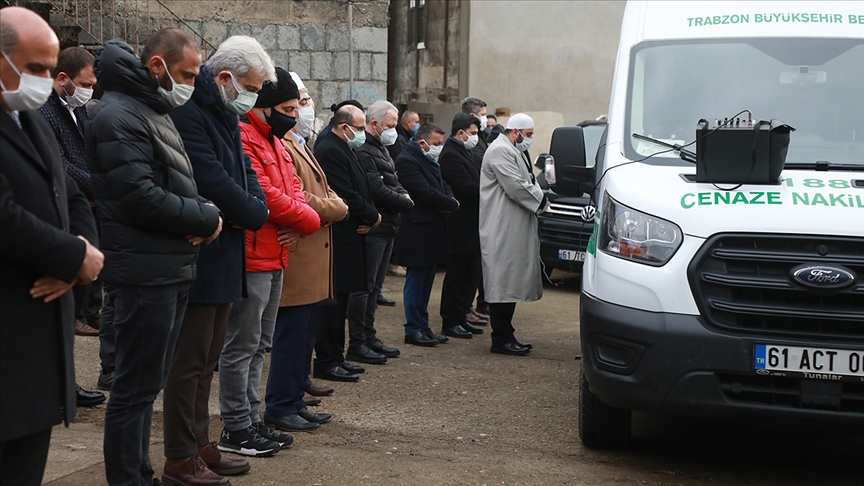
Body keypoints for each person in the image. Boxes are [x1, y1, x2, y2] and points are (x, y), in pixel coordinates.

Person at [86, 30, 223, 486]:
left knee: (147, 386)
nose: (189, 83)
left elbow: (177, 183)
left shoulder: (154, 110)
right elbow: (139, 196)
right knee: (133, 388)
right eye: (185, 74)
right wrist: (204, 217)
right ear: (157, 67)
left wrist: (203, 211)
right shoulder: (117, 114)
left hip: (168, 264)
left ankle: (139, 473)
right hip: (143, 271)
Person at [162, 34, 277, 483]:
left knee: (209, 357)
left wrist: (255, 207)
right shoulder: (191, 111)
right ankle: (179, 454)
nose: (252, 96)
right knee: (189, 361)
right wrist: (254, 211)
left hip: (226, 248)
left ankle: (199, 441)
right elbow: (209, 177)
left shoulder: (225, 111)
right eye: (250, 86)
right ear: (225, 78)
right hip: (203, 253)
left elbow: (244, 172)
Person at [0, 8, 103, 484]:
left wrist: (79, 254)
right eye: (36, 68)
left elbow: (72, 194)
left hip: (38, 358)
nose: (45, 81)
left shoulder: (30, 119)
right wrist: (72, 256)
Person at [236, 67, 326, 436]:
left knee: (260, 346)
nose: (294, 115)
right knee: (243, 347)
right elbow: (268, 195)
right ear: (265, 105)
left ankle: (256, 417)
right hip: (255, 251)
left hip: (276, 252)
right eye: (288, 108)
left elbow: (291, 187)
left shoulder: (275, 139)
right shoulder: (245, 136)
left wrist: (302, 218)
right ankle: (242, 421)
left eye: (296, 108)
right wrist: (310, 220)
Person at [35, 45, 107, 407]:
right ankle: (60, 387)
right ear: (62, 79)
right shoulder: (44, 112)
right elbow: (61, 167)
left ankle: (65, 385)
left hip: (79, 216)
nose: (88, 90)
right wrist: (100, 186)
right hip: (58, 221)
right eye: (84, 83)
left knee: (68, 313)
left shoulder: (75, 111)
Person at [274, 70, 347, 407]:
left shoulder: (300, 142)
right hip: (300, 249)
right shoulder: (284, 143)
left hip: (315, 248)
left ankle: (299, 385)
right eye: (298, 104)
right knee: (292, 334)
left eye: (305, 101)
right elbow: (300, 197)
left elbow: (326, 189)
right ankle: (286, 399)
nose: (305, 109)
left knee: (306, 331)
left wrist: (336, 204)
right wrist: (337, 208)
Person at [313, 104, 381, 381]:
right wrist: (371, 215)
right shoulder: (330, 148)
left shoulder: (344, 145)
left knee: (341, 300)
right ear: (345, 127)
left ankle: (337, 356)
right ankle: (328, 360)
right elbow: (345, 192)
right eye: (361, 127)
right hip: (339, 235)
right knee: (333, 302)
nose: (363, 133)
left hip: (350, 232)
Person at [348, 100, 415, 363]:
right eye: (390, 126)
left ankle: (369, 335)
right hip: (374, 226)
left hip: (388, 225)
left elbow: (393, 181)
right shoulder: (365, 149)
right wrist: (405, 202)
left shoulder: (381, 148)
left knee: (375, 287)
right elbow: (376, 188)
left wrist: (402, 195)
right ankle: (358, 341)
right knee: (364, 287)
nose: (393, 131)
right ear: (374, 124)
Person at [479, 113, 547, 356]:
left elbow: (525, 180)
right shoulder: (500, 150)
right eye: (528, 135)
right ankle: (501, 338)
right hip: (501, 226)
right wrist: (543, 201)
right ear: (516, 131)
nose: (529, 140)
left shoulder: (511, 149)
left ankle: (507, 334)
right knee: (502, 283)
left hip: (512, 224)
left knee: (509, 281)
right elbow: (516, 186)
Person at [393, 123, 459, 347]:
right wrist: (449, 203)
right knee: (416, 282)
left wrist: (449, 201)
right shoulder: (407, 160)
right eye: (436, 144)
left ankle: (423, 326)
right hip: (417, 229)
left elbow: (444, 185)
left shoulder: (429, 159)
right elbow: (422, 191)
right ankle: (413, 328)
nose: (438, 148)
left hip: (432, 228)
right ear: (422, 142)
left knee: (427, 281)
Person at [438, 114, 486, 339]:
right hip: (460, 223)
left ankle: (461, 316)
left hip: (471, 223)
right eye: (473, 133)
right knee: (457, 275)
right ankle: (450, 319)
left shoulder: (463, 151)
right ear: (461, 133)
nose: (475, 138)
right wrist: (488, 192)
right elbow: (466, 187)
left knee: (470, 273)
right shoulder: (450, 154)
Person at [460, 97, 492, 317]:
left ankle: (471, 306)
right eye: (482, 114)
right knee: (465, 268)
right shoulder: (467, 144)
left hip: (478, 211)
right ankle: (464, 308)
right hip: (467, 214)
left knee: (475, 267)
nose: (485, 118)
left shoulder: (479, 139)